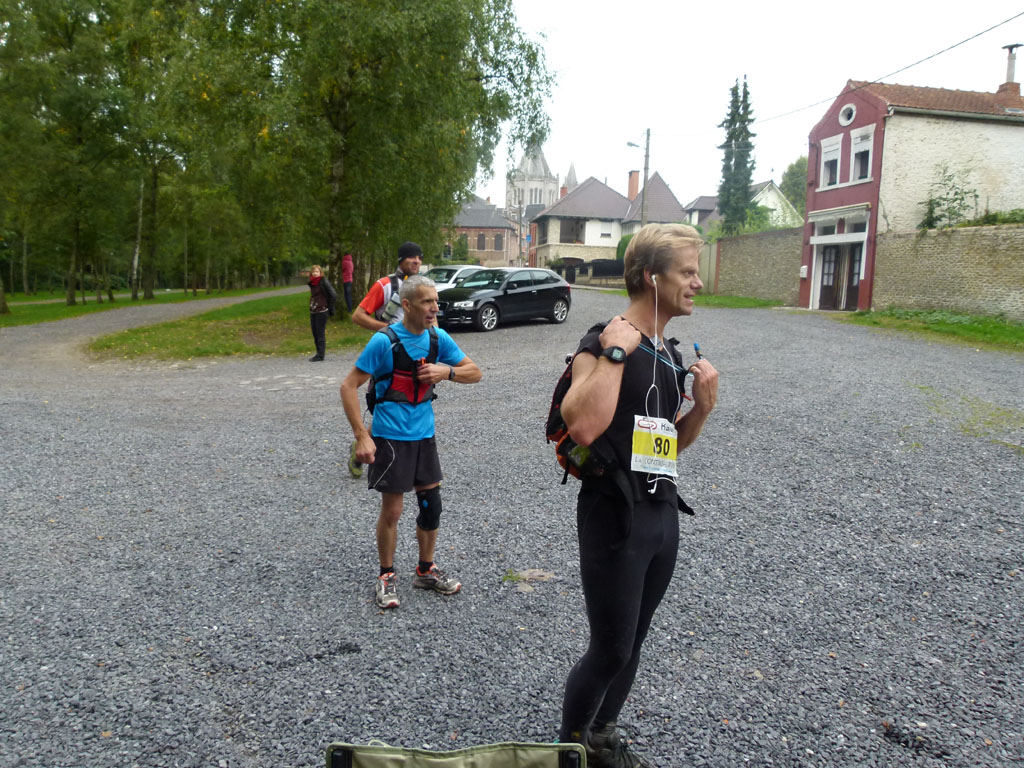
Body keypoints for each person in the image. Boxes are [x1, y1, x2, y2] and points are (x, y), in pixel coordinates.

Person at [557, 223, 719, 768]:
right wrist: (615, 354)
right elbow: (582, 426)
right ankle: (569, 748)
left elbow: (667, 447)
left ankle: (601, 738)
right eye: (687, 272)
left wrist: (702, 409)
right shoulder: (604, 340)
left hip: (660, 512)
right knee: (611, 648)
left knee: (633, 642)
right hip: (613, 515)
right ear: (652, 277)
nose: (698, 282)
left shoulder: (669, 354)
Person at [340, 274, 481, 609]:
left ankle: (425, 570)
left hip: (424, 437)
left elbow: (475, 372)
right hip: (390, 437)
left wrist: (445, 372)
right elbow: (348, 386)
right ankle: (386, 575)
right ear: (407, 305)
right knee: (393, 511)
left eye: (436, 301)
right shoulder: (384, 341)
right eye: (427, 302)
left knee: (432, 507)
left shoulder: (438, 338)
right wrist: (362, 435)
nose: (434, 308)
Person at [351, 241, 422, 331]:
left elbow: (432, 317)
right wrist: (392, 330)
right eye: (411, 257)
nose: (417, 261)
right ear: (401, 260)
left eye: (420, 258)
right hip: (393, 339)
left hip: (419, 338)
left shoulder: (422, 286)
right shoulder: (384, 285)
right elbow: (358, 316)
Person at [307, 265, 337, 362]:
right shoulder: (312, 283)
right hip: (313, 309)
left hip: (322, 310)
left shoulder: (323, 282)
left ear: (320, 273)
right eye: (313, 272)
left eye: (317, 272)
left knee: (320, 333)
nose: (315, 273)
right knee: (314, 332)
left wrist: (328, 306)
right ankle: (318, 353)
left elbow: (333, 294)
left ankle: (320, 355)